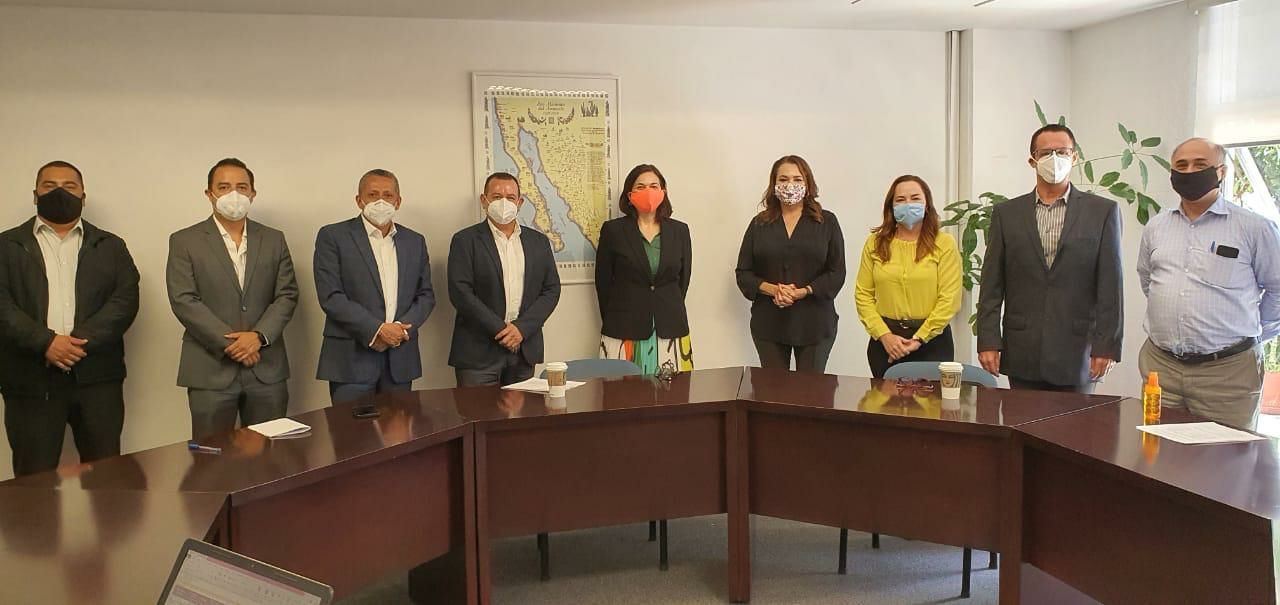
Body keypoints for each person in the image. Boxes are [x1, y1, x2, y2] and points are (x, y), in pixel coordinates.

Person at [0, 161, 139, 476]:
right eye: (49, 186)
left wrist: (77, 343)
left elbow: (125, 300)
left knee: (106, 477)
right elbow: (3, 306)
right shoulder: (6, 246)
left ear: (83, 196)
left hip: (97, 378)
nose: (59, 192)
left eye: (69, 186)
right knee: (34, 480)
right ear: (35, 195)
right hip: (30, 380)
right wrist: (46, 342)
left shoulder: (111, 246)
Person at [1137, 138, 1280, 430]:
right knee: (1156, 451)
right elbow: (1148, 280)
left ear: (1221, 172)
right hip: (1161, 368)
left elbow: (1277, 289)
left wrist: (1249, 333)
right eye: (1181, 165)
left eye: (1200, 164)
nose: (1190, 171)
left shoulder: (1255, 227)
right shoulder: (1156, 227)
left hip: (1228, 373)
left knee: (1226, 454)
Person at [976, 125, 1123, 393]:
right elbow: (991, 285)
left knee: (1076, 422)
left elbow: (1110, 286)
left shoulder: (1102, 212)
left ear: (1074, 157)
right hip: (1022, 349)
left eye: (1062, 152)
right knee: (1020, 420)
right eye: (1045, 153)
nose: (1054, 158)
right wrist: (988, 340)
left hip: (1078, 351)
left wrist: (1107, 346)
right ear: (1032, 160)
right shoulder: (1006, 214)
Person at [167, 158, 298, 439]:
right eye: (224, 187)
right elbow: (183, 299)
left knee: (273, 452)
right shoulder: (184, 241)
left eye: (242, 187)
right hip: (209, 369)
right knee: (211, 457)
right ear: (209, 193)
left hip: (266, 368)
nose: (234, 194)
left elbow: (286, 294)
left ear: (253, 193)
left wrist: (258, 337)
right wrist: (234, 344)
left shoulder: (274, 239)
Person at [314, 169, 435, 404]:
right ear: (359, 200)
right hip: (351, 360)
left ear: (398, 201)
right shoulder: (333, 236)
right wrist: (377, 329)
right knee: (350, 426)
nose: (381, 201)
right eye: (372, 194)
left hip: (400, 358)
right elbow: (331, 296)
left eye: (388, 195)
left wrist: (399, 330)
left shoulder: (415, 241)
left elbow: (426, 295)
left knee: (401, 426)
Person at [448, 172, 561, 386]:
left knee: (524, 409)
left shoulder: (538, 242)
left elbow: (551, 289)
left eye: (510, 198)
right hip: (478, 354)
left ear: (520, 202)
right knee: (477, 408)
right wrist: (500, 329)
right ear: (484, 200)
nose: (504, 203)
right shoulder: (465, 240)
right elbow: (460, 292)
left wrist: (521, 329)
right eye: (497, 196)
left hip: (524, 350)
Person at [735, 155, 846, 373]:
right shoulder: (759, 224)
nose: (790, 185)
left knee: (810, 391)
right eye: (783, 179)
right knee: (773, 390)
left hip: (815, 324)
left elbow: (836, 272)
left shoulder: (827, 222)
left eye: (797, 179)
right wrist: (773, 290)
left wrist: (803, 292)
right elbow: (744, 273)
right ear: (774, 184)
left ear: (808, 184)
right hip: (769, 324)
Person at [855, 175, 962, 378]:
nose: (908, 204)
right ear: (891, 206)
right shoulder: (875, 243)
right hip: (886, 344)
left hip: (932, 342)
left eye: (915, 198)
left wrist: (919, 338)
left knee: (931, 399)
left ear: (927, 204)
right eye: (900, 200)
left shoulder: (944, 243)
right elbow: (863, 295)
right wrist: (884, 336)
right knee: (884, 398)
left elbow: (950, 299)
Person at [596, 164, 694, 375]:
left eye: (653, 186)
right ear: (629, 195)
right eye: (640, 187)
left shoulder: (679, 231)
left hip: (670, 327)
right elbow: (603, 284)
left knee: (673, 392)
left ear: (663, 192)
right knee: (622, 392)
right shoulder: (613, 231)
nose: (648, 191)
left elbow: (683, 281)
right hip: (624, 329)